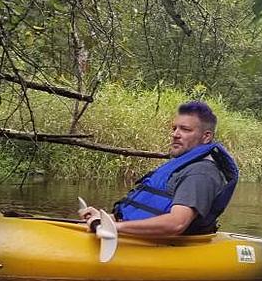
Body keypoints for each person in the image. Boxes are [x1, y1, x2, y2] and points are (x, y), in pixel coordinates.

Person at [79, 100, 239, 237]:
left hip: (175, 248)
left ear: (206, 137)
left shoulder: (201, 173)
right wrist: (107, 218)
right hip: (139, 236)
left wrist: (115, 228)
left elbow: (177, 223)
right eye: (174, 128)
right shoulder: (181, 167)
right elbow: (147, 214)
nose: (175, 134)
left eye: (185, 129)